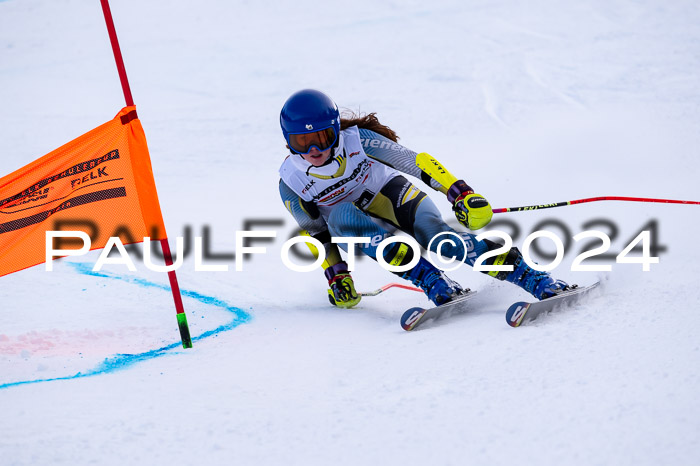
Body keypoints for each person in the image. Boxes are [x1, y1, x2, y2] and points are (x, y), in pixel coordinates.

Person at [278, 89, 570, 308]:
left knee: (441, 239)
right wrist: (337, 275)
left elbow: (415, 162)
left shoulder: (358, 140)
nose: (314, 149)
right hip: (354, 223)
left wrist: (460, 193)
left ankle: (531, 277)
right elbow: (318, 234)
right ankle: (434, 280)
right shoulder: (291, 183)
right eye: (302, 142)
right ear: (288, 140)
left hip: (388, 194)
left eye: (323, 137)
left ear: (336, 130)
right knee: (342, 218)